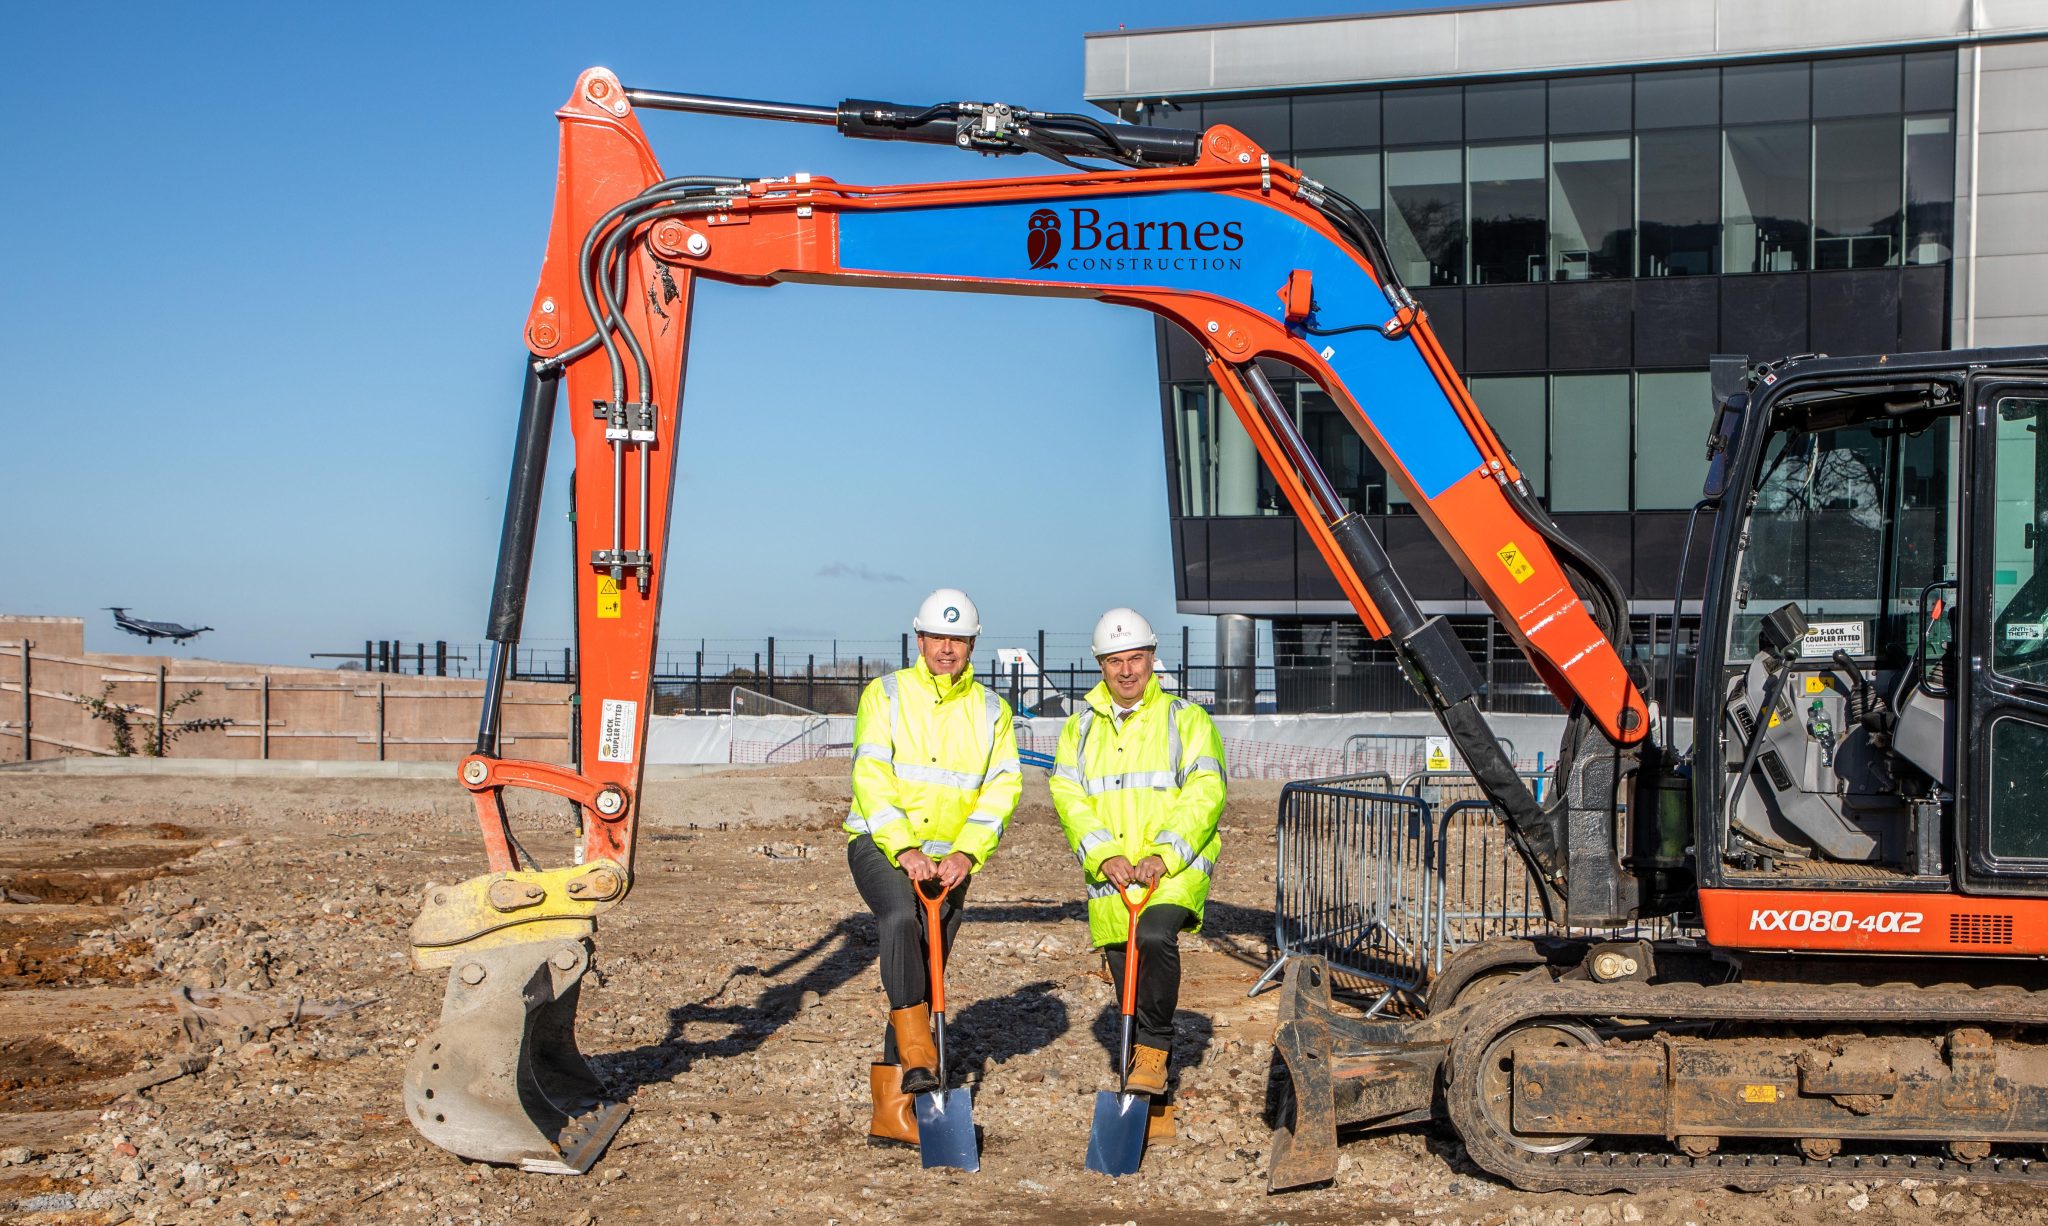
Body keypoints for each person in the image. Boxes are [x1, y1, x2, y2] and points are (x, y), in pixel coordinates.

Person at [846, 588, 1021, 1145]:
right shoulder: (886, 694)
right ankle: (921, 1060)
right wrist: (904, 848)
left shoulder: (993, 710)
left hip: (950, 864)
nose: (947, 649)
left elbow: (1002, 787)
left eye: (958, 640)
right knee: (899, 921)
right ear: (919, 639)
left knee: (923, 969)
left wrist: (968, 853)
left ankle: (893, 1114)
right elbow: (871, 775)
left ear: (972, 645)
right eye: (938, 638)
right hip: (881, 844)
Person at [1050, 607, 1225, 1115]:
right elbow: (1069, 796)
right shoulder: (1079, 730)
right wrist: (1104, 855)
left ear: (1152, 658)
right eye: (1115, 662)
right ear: (1100, 666)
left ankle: (1153, 1052)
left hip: (1172, 871)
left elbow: (1206, 792)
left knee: (1153, 935)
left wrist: (1163, 855)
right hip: (1113, 877)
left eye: (1137, 658)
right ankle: (1153, 1100)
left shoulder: (1186, 720)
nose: (1127, 671)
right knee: (1126, 974)